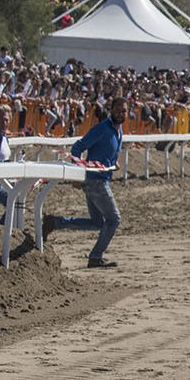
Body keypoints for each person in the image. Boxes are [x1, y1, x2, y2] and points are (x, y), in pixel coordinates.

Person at [46, 96, 127, 268]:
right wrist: (77, 173)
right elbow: (77, 147)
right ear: (111, 110)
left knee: (98, 223)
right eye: (118, 109)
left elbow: (107, 152)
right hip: (96, 182)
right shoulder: (102, 128)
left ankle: (55, 222)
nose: (121, 113)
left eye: (124, 110)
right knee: (114, 220)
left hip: (99, 180)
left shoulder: (118, 131)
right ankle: (95, 257)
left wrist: (113, 163)